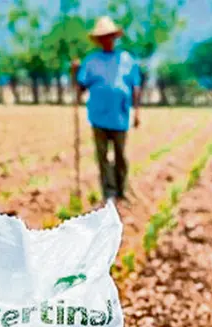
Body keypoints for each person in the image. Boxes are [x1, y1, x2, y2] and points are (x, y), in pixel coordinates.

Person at [71, 16, 141, 202]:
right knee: (102, 157)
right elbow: (81, 86)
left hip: (120, 116)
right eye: (103, 37)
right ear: (99, 40)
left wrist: (137, 113)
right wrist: (75, 72)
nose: (107, 40)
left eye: (109, 36)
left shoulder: (126, 59)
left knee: (120, 156)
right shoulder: (91, 61)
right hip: (98, 116)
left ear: (114, 37)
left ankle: (121, 190)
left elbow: (135, 86)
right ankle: (108, 193)